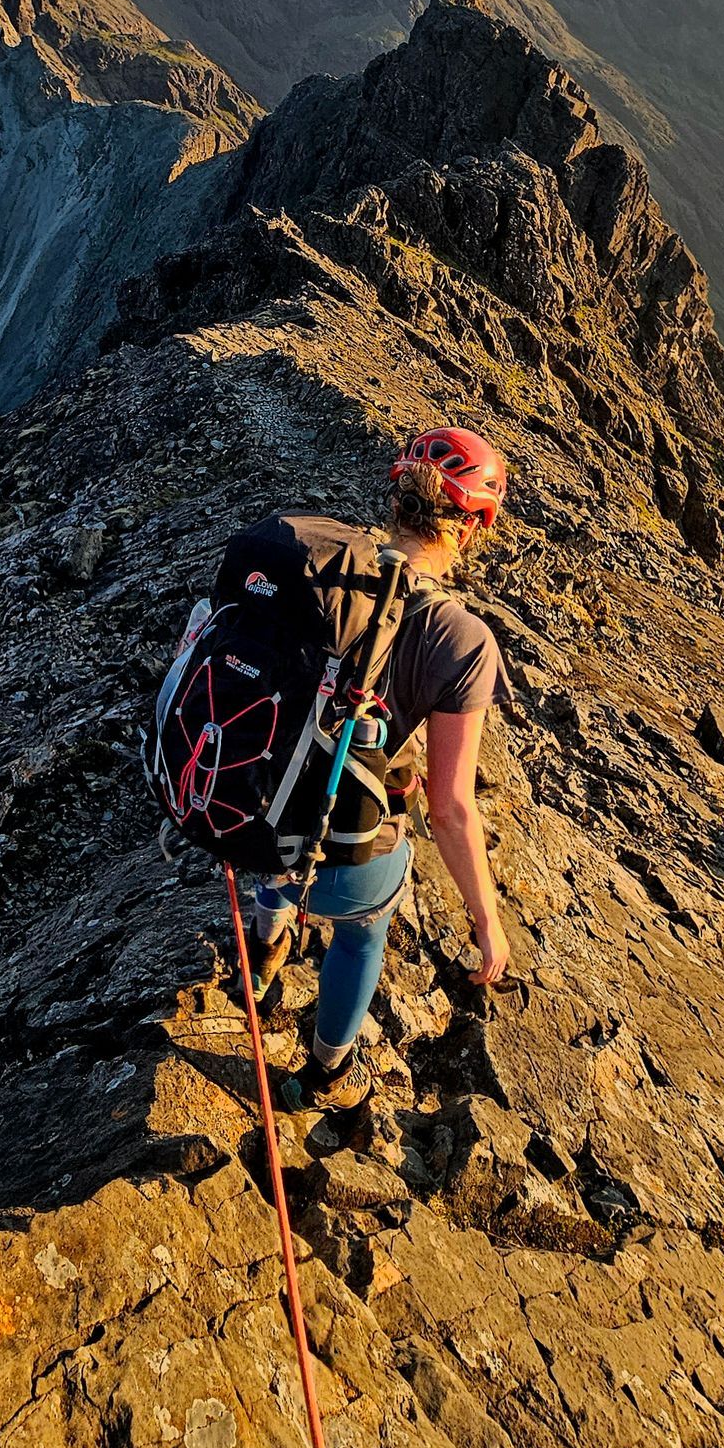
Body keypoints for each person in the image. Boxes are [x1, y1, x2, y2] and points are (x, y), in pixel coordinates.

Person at [254, 427, 514, 1111]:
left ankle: (265, 941)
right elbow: (450, 807)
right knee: (365, 931)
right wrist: (486, 921)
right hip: (345, 861)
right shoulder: (462, 640)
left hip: (252, 818)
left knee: (291, 810)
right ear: (474, 525)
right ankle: (327, 1073)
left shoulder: (318, 565)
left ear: (399, 495)